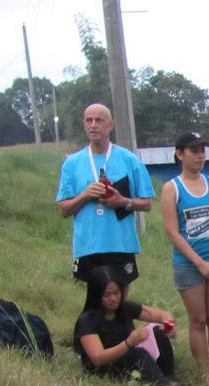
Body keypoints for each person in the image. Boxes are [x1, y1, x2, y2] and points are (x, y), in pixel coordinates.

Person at [57, 103, 154, 293]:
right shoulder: (72, 163)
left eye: (99, 120)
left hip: (120, 244)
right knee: (95, 301)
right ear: (84, 124)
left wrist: (122, 202)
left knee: (120, 302)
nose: (93, 125)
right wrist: (85, 195)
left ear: (111, 125)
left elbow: (147, 204)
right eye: (89, 120)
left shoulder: (129, 160)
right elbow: (64, 210)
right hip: (88, 245)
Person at [160, 131, 209, 383]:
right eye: (194, 151)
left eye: (203, 151)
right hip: (189, 265)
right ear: (180, 154)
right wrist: (199, 263)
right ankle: (205, 374)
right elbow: (172, 232)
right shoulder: (172, 189)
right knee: (198, 320)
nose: (200, 156)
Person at [73, 266, 184, 386]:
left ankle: (167, 379)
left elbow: (162, 315)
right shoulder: (87, 320)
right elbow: (98, 358)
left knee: (158, 332)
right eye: (107, 295)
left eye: (116, 293)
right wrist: (129, 343)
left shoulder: (124, 307)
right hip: (103, 368)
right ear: (96, 295)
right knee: (137, 353)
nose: (113, 298)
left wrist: (169, 326)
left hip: (126, 356)